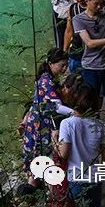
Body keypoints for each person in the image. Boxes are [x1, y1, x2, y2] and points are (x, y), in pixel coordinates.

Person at [20, 48, 69, 185]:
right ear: (51, 63)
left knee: (37, 159)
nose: (64, 69)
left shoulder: (45, 78)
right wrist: (74, 113)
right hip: (40, 125)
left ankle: (33, 189)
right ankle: (33, 190)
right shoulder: (47, 82)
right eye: (61, 65)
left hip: (35, 122)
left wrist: (24, 121)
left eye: (66, 65)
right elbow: (56, 106)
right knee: (40, 159)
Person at [56, 83, 105, 207]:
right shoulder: (99, 125)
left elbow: (64, 154)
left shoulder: (67, 124)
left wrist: (55, 141)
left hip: (75, 178)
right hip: (95, 177)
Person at [72, 0, 105, 98]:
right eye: (96, 4)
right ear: (87, 1)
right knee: (91, 99)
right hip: (90, 66)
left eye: (101, 4)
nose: (99, 7)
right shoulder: (78, 19)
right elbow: (89, 43)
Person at [63, 0, 89, 72]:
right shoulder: (73, 8)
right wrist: (65, 50)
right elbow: (69, 30)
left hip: (92, 52)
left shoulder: (96, 7)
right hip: (76, 51)